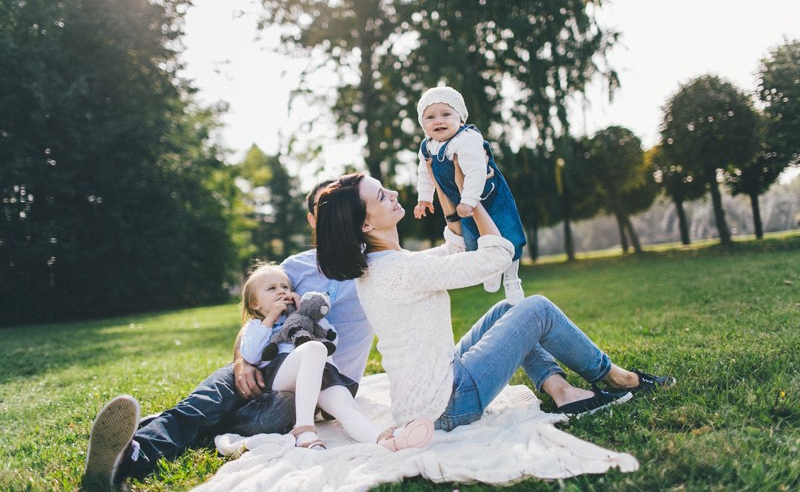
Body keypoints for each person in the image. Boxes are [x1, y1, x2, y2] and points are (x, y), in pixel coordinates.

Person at [315, 172, 675, 433]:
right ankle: (616, 377)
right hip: (450, 404)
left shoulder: (381, 266)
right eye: (381, 196)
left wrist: (448, 189)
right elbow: (497, 255)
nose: (393, 193)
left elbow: (453, 249)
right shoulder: (401, 271)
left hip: (426, 402)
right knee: (537, 309)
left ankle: (562, 391)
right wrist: (474, 201)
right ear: (364, 224)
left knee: (507, 310)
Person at [83, 180, 374, 489]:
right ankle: (136, 452)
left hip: (323, 387)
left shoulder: (374, 265)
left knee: (267, 418)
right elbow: (256, 319)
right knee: (210, 397)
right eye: (322, 210)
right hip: (268, 363)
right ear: (313, 220)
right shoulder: (292, 268)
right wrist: (241, 363)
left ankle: (163, 425)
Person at [238, 262, 433, 451]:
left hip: (319, 373)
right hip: (281, 376)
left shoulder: (302, 317)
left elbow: (332, 339)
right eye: (271, 288)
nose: (281, 291)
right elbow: (252, 355)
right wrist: (271, 319)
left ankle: (384, 441)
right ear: (254, 303)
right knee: (314, 349)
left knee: (347, 408)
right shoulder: (256, 326)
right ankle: (303, 430)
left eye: (285, 286)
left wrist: (309, 315)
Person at [414, 86, 526, 304]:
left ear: (461, 119)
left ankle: (512, 278)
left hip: (489, 196)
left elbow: (476, 171)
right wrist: (424, 198)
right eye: (430, 117)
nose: (438, 121)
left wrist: (469, 200)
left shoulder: (467, 138)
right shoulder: (428, 147)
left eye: (446, 114)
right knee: (473, 239)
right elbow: (424, 173)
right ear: (422, 124)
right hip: (461, 201)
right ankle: (492, 269)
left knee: (507, 234)